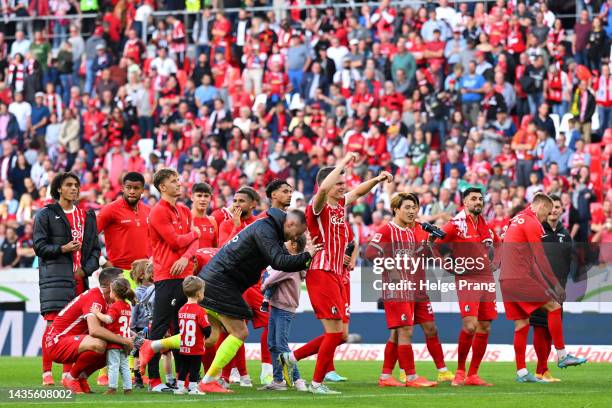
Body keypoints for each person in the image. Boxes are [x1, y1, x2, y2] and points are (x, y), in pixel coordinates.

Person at [280, 152, 393, 395]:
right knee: (333, 332)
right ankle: (317, 383)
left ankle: (292, 358)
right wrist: (343, 162)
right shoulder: (317, 206)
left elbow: (359, 192)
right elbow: (323, 190)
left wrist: (377, 180)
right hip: (321, 271)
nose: (344, 188)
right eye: (339, 183)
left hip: (337, 273)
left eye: (344, 183)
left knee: (340, 334)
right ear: (327, 184)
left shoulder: (340, 205)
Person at [195, 208, 320, 394]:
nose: (297, 238)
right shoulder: (266, 229)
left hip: (215, 279)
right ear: (291, 224)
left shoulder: (269, 228)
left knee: (211, 337)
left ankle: (156, 346)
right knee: (240, 332)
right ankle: (208, 380)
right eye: (299, 233)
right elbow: (279, 261)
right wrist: (307, 255)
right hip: (221, 281)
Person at [501, 193, 587, 383]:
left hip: (506, 279)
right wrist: (555, 285)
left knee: (522, 324)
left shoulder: (515, 219)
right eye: (546, 213)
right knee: (554, 306)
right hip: (519, 277)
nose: (545, 217)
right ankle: (563, 355)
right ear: (540, 207)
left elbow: (532, 262)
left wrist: (546, 287)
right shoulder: (532, 223)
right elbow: (540, 258)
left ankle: (522, 372)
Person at [366, 192, 450, 388]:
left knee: (398, 333)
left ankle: (386, 376)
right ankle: (411, 377)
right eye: (407, 208)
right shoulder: (387, 229)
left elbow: (416, 257)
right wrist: (390, 267)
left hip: (414, 288)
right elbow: (370, 252)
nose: (412, 211)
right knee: (405, 331)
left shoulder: (411, 231)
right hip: (397, 289)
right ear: (396, 209)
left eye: (414, 208)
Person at [33, 171, 101, 387]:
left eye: (76, 185)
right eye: (69, 185)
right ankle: (46, 373)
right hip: (55, 279)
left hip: (79, 280)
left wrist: (85, 270)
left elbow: (95, 251)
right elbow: (39, 246)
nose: (74, 188)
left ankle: (67, 374)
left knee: (76, 329)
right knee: (53, 325)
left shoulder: (87, 216)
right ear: (59, 189)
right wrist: (62, 248)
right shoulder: (45, 214)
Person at [436, 187, 500, 386]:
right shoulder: (455, 224)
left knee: (485, 325)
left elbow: (499, 245)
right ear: (465, 202)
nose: (478, 202)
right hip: (467, 279)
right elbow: (434, 244)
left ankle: (473, 374)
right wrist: (445, 263)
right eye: (473, 199)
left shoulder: (486, 225)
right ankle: (460, 371)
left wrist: (496, 263)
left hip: (486, 279)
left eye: (480, 199)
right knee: (470, 325)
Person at [146, 168, 201, 392]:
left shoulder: (186, 210)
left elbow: (191, 246)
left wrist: (187, 256)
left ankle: (182, 379)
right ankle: (153, 380)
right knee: (159, 328)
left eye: (179, 179)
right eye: (173, 181)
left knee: (183, 328)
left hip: (185, 275)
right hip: (166, 276)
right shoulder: (158, 211)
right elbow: (176, 241)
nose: (179, 183)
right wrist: (194, 234)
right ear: (162, 187)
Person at [43, 267, 132, 394]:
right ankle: (70, 378)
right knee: (100, 344)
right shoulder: (95, 298)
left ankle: (81, 377)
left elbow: (120, 329)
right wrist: (124, 340)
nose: (125, 285)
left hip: (73, 341)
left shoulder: (111, 302)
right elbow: (94, 331)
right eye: (121, 281)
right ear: (110, 286)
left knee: (113, 347)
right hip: (56, 342)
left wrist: (132, 339)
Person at [529, 194, 574, 382]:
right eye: (551, 207)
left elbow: (568, 262)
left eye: (557, 207)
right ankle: (541, 370)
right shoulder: (538, 230)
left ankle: (543, 370)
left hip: (559, 290)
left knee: (551, 330)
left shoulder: (566, 235)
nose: (554, 210)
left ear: (561, 210)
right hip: (540, 288)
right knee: (540, 329)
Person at [259, 235, 308, 391]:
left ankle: (297, 378)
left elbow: (274, 277)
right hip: (278, 306)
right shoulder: (294, 262)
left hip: (284, 308)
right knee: (273, 343)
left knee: (281, 344)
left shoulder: (291, 263)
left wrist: (264, 285)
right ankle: (278, 380)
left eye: (287, 241)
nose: (284, 243)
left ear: (293, 245)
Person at [97, 171, 150, 285]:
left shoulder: (148, 210)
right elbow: (87, 236)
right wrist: (102, 261)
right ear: (122, 188)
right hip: (120, 273)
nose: (132, 191)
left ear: (142, 190)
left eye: (136, 188)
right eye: (129, 187)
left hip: (145, 274)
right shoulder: (110, 210)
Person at [90, 278, 136, 394]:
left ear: (113, 293)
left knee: (113, 366)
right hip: (125, 342)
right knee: (124, 367)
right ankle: (128, 388)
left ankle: (112, 388)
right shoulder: (127, 306)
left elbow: (108, 319)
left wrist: (97, 313)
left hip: (115, 342)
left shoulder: (115, 306)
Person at [175, 276, 211, 395]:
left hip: (184, 345)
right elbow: (207, 329)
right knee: (195, 368)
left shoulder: (181, 309)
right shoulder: (200, 310)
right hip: (196, 346)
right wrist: (207, 334)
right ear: (199, 294)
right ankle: (193, 388)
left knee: (184, 367)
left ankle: (180, 387)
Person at [191, 183, 218, 248]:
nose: (203, 199)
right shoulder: (185, 219)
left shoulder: (212, 222)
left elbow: (214, 248)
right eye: (199, 196)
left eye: (206, 196)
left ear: (210, 198)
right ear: (192, 197)